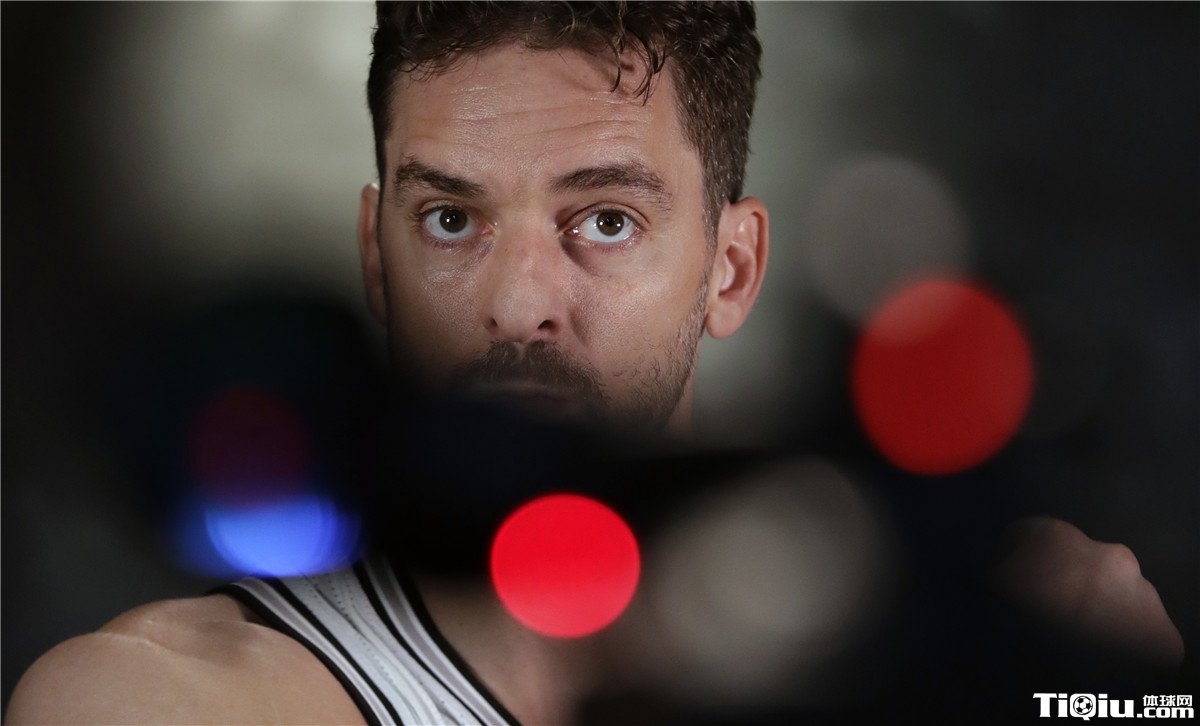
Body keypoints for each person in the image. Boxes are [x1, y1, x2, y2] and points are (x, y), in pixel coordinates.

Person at [5, 3, 1184, 724]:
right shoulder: (167, 702)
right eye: (451, 221)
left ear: (731, 269)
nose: (521, 303)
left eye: (605, 220)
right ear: (374, 258)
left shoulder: (973, 629)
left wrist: (1092, 691)